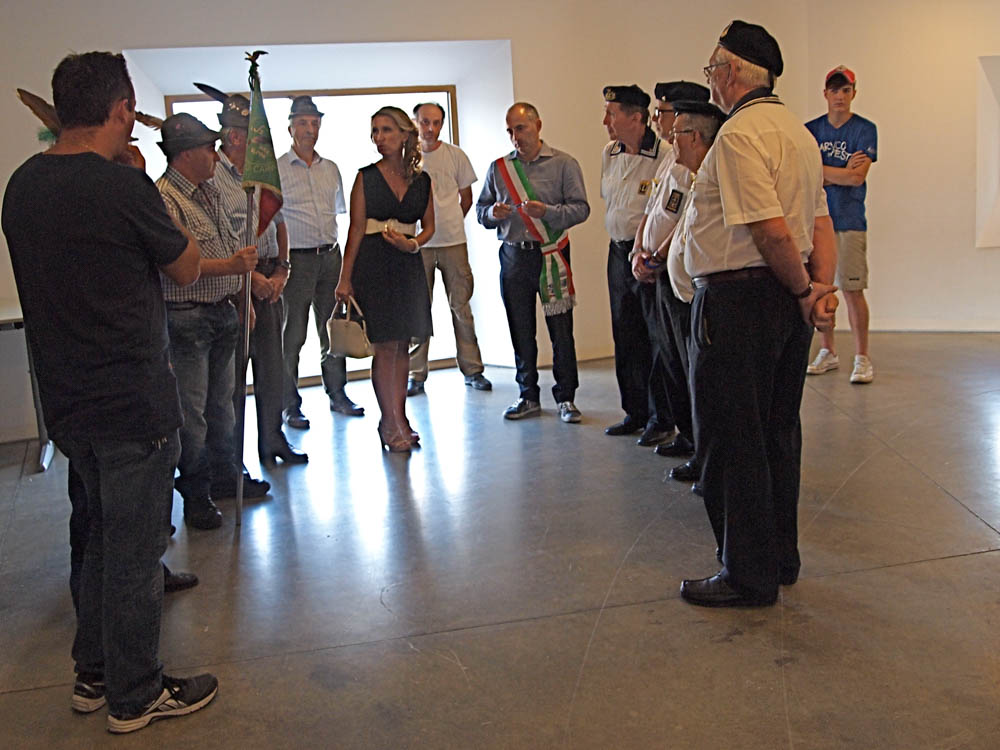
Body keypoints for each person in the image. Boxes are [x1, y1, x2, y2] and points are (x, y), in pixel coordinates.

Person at [2, 51, 217, 732]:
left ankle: (93, 674)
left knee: (95, 539)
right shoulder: (125, 189)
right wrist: (139, 185)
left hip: (66, 399)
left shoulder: (22, 186)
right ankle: (135, 693)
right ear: (121, 110)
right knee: (134, 553)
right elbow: (187, 267)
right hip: (131, 399)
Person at [677, 21, 838, 607]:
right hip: (782, 302)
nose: (710, 80)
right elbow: (820, 223)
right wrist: (816, 289)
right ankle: (778, 557)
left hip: (738, 303)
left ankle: (746, 574)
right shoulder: (798, 132)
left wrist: (804, 289)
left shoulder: (739, 135)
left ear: (733, 72)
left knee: (732, 438)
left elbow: (770, 231)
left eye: (712, 68)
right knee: (777, 433)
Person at [156, 113, 264, 530]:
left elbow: (227, 246)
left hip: (220, 310)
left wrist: (240, 295)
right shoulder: (165, 199)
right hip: (187, 315)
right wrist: (233, 268)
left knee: (224, 405)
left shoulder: (210, 192)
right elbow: (177, 266)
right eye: (208, 148)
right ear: (185, 154)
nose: (216, 156)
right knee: (193, 412)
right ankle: (196, 492)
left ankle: (225, 476)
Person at [197, 83, 308, 467]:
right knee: (230, 380)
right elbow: (215, 237)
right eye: (255, 135)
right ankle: (231, 459)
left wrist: (282, 270)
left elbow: (279, 224)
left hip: (270, 278)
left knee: (272, 369)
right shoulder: (212, 176)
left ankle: (272, 440)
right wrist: (249, 281)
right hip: (234, 284)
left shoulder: (263, 174)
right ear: (234, 136)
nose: (262, 142)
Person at [475, 102, 590, 423]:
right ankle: (527, 395)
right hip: (513, 255)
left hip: (551, 253)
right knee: (521, 329)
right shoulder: (499, 168)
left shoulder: (564, 164)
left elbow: (581, 209)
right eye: (510, 131)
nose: (516, 137)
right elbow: (481, 210)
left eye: (521, 128)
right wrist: (491, 213)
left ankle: (566, 398)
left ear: (538, 126)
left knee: (561, 331)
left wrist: (547, 212)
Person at [335, 106, 435, 452]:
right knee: (385, 347)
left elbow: (429, 226)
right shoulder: (365, 177)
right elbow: (355, 230)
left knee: (402, 345)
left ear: (405, 134)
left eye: (387, 130)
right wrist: (344, 278)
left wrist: (412, 244)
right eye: (375, 131)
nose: (379, 137)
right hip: (373, 265)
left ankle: (399, 417)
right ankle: (390, 420)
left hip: (407, 264)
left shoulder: (422, 180)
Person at [629, 81, 711, 466]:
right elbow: (653, 210)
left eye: (663, 113)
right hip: (658, 270)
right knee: (669, 358)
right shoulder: (669, 159)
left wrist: (657, 256)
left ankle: (698, 443)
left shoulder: (698, 166)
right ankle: (685, 433)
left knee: (687, 363)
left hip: (676, 275)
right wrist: (638, 249)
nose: (657, 120)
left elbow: (685, 220)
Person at [653, 99, 726, 492]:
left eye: (677, 131)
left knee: (706, 389)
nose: (670, 137)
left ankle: (709, 463)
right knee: (689, 379)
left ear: (695, 137)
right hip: (685, 295)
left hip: (701, 299)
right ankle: (701, 456)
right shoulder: (692, 175)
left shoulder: (713, 179)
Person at [278, 95, 364, 429]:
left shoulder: (331, 169)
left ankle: (338, 394)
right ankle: (290, 404)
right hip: (295, 261)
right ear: (290, 128)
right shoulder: (277, 169)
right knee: (292, 336)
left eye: (314, 123)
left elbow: (338, 213)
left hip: (330, 257)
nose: (309, 130)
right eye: (302, 123)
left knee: (335, 331)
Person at [601, 84, 673, 446]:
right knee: (625, 332)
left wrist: (649, 253)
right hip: (617, 252)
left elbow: (663, 209)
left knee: (654, 336)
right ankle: (635, 411)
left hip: (646, 254)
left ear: (636, 118)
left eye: (611, 114)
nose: (605, 121)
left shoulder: (664, 155)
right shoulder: (610, 153)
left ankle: (662, 417)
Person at [406, 102, 491, 396]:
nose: (430, 128)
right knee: (418, 309)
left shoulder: (456, 155)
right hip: (419, 244)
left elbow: (466, 198)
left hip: (453, 242)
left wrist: (450, 221)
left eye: (436, 122)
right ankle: (415, 374)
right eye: (425, 122)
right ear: (415, 122)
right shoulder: (407, 158)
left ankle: (473, 369)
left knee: (461, 307)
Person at [804, 66, 878, 383]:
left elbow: (857, 177)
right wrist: (841, 172)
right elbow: (807, 174)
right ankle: (828, 351)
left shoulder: (864, 129)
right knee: (821, 288)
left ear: (853, 93)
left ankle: (862, 357)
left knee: (852, 289)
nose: (839, 96)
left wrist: (825, 171)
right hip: (817, 221)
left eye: (845, 90)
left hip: (849, 221)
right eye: (834, 90)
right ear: (825, 94)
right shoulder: (810, 131)